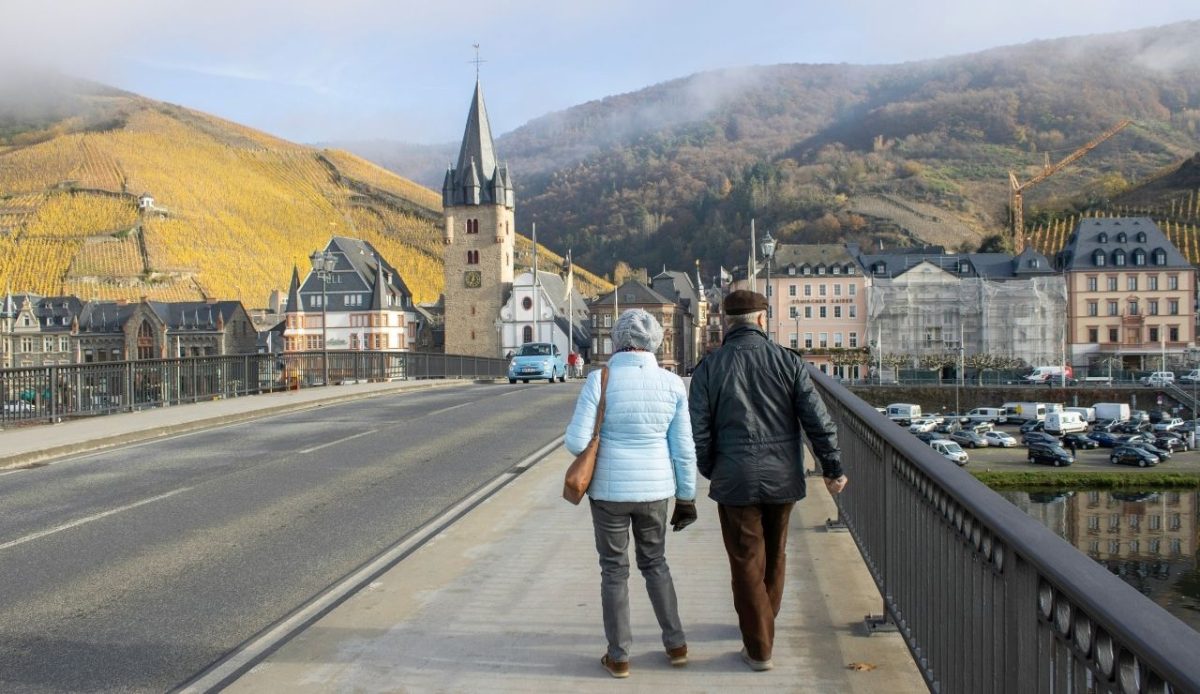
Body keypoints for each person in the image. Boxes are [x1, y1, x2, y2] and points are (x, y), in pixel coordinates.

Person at [688, 290, 847, 672]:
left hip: (735, 477)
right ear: (762, 320)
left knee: (745, 561)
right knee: (775, 555)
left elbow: (700, 430)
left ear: (728, 322)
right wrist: (832, 467)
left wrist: (713, 468)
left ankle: (759, 647)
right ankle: (763, 625)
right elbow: (817, 420)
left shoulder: (710, 367)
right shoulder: (788, 362)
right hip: (782, 476)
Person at [565, 308, 698, 679]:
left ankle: (619, 656)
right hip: (656, 490)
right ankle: (676, 645)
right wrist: (686, 496)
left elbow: (576, 441)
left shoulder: (599, 379)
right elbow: (683, 448)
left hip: (608, 492)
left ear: (618, 340)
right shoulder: (672, 384)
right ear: (654, 342)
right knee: (655, 564)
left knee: (614, 571)